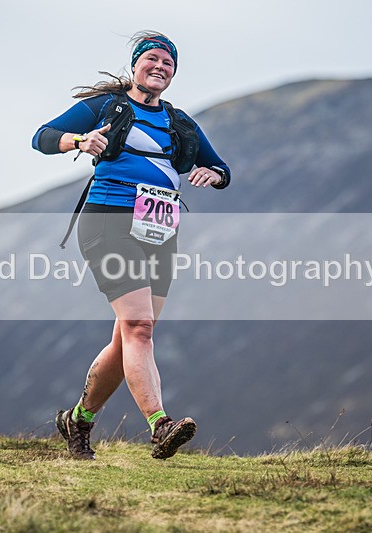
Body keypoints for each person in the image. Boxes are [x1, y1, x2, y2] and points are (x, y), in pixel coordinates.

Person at [31, 31, 231, 460]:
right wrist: (80, 141)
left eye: (168, 63)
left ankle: (78, 420)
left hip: (159, 230)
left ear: (173, 74)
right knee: (139, 327)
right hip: (109, 221)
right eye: (152, 59)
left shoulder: (179, 122)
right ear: (136, 65)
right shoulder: (106, 107)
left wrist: (213, 175)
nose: (160, 67)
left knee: (129, 336)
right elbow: (43, 137)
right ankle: (160, 426)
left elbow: (220, 167)